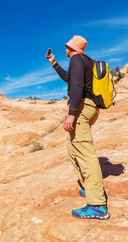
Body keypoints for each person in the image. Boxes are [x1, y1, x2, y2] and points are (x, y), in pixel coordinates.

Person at [46, 35, 110, 220]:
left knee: (84, 152)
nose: (65, 48)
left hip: (82, 108)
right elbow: (69, 78)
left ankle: (97, 205)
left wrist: (72, 113)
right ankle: (89, 187)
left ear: (71, 47)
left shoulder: (76, 59)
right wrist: (54, 63)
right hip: (90, 107)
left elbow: (77, 86)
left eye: (66, 46)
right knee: (72, 148)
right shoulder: (86, 60)